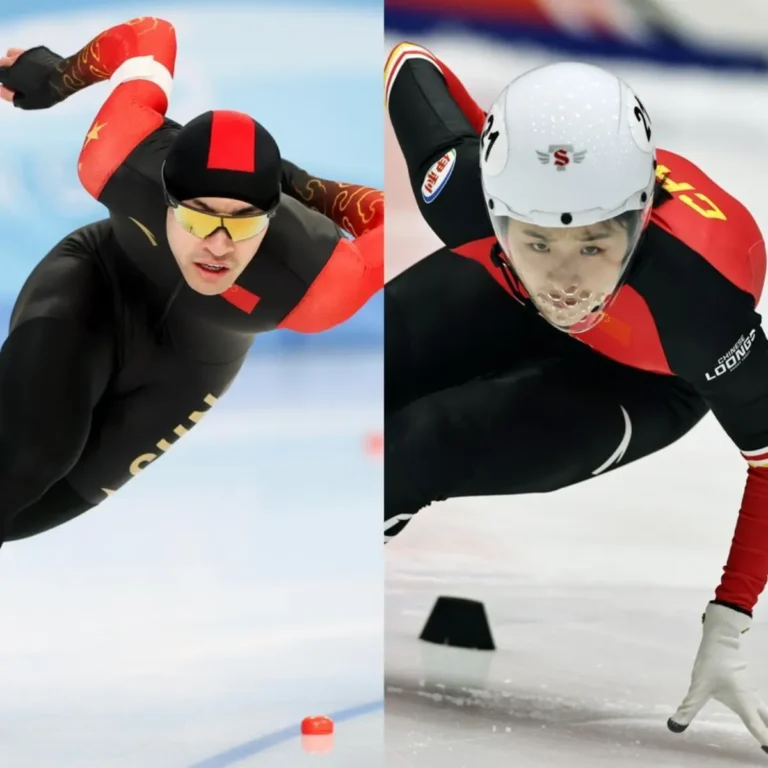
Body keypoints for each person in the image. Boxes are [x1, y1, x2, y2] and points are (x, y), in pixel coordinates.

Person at [383, 41, 768, 752]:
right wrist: (494, 135)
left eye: (595, 243)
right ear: (496, 209)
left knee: (427, 442)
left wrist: (731, 616)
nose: (565, 282)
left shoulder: (697, 303)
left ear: (643, 215)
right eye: (538, 241)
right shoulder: (463, 188)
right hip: (509, 295)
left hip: (643, 377)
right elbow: (410, 62)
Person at [0, 18, 382, 543]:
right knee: (27, 462)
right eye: (199, 217)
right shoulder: (117, 160)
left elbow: (393, 216)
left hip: (186, 370)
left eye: (244, 221)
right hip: (95, 286)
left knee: (21, 519)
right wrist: (56, 77)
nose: (219, 245)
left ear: (272, 216)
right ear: (165, 199)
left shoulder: (319, 282)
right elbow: (149, 34)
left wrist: (300, 185)